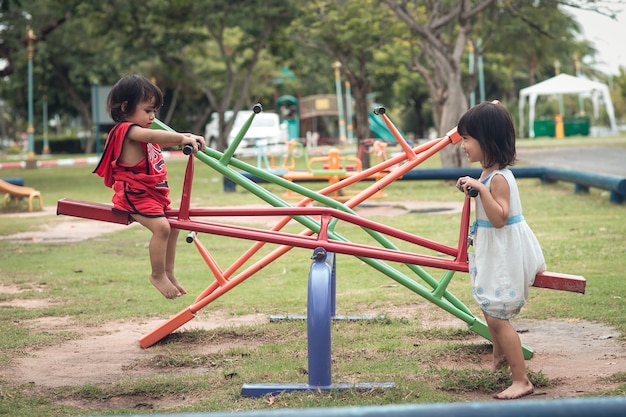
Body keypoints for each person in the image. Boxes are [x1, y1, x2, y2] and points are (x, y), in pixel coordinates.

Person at [455, 101, 545, 400]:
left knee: (496, 316)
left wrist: (480, 190)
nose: (463, 145)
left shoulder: (498, 179)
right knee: (488, 304)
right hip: (494, 250)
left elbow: (499, 217)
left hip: (505, 254)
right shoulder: (487, 173)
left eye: (467, 139)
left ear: (487, 141)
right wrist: (474, 186)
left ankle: (522, 380)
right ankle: (500, 356)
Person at [93, 74, 206, 299]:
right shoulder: (127, 130)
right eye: (148, 111)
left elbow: (161, 138)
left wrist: (185, 136)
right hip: (133, 195)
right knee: (162, 228)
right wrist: (181, 138)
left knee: (173, 226)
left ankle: (169, 271)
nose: (153, 117)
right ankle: (157, 274)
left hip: (150, 196)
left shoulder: (141, 131)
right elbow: (153, 135)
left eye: (154, 111)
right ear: (126, 108)